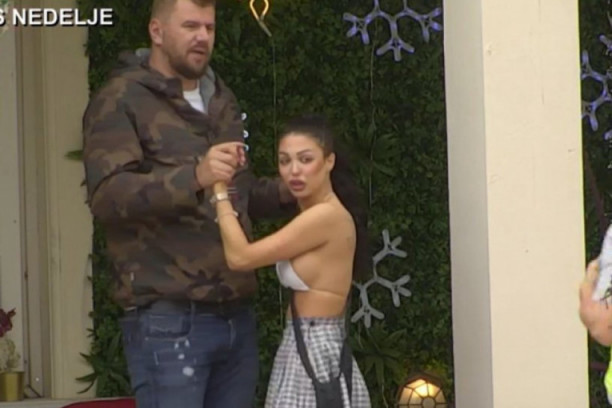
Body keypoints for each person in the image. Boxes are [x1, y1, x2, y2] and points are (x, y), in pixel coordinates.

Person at [81, 0, 294, 407]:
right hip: (168, 315)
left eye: (209, 28)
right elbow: (108, 195)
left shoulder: (221, 98)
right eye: (191, 26)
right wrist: (194, 177)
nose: (202, 37)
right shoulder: (121, 98)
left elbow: (237, 195)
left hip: (236, 313)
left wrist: (290, 191)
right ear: (157, 32)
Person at [212, 114, 372, 407]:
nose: (294, 170)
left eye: (305, 159)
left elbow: (240, 257)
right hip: (307, 343)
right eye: (285, 161)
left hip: (315, 345)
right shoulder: (317, 212)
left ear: (329, 161)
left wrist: (220, 194)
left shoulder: (324, 216)